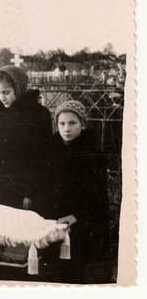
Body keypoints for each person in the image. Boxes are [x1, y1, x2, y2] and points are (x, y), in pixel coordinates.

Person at [48, 101, 110, 283]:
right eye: (62, 124)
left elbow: (96, 194)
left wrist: (78, 215)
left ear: (82, 124)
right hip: (56, 217)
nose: (66, 129)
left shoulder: (91, 154)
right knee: (56, 268)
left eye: (72, 123)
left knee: (76, 267)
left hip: (81, 220)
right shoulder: (53, 149)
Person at [0, 66, 52, 212]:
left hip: (23, 187)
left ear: (18, 88)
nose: (2, 97)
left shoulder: (38, 114)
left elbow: (41, 157)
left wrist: (30, 192)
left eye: (6, 92)